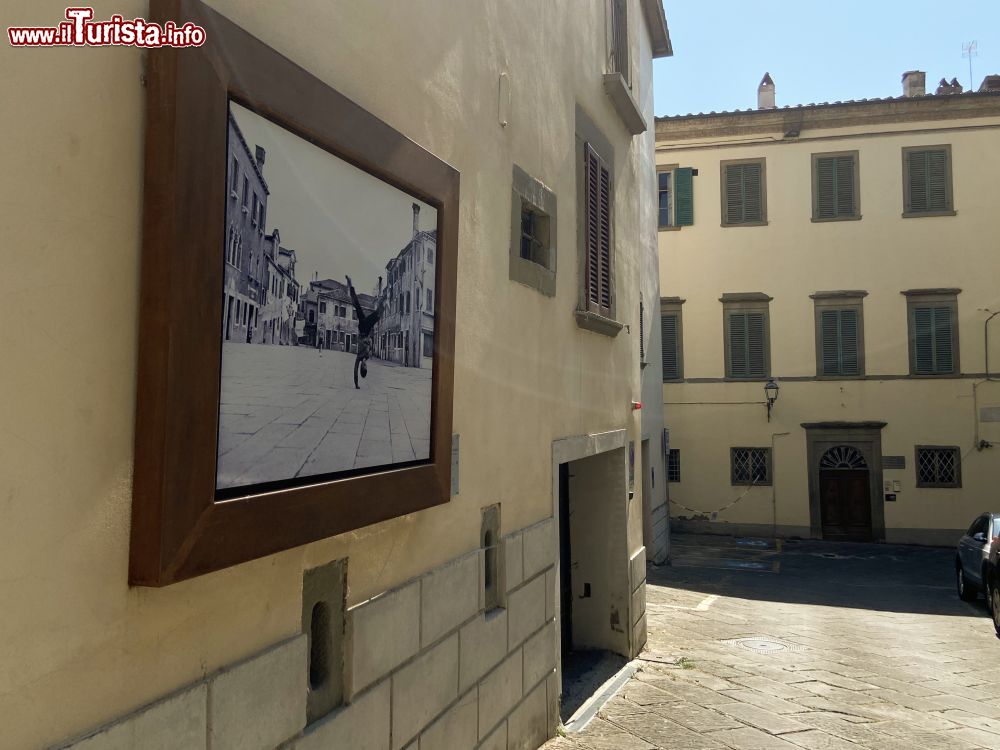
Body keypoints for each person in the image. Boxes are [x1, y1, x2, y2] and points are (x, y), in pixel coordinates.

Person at [345, 275, 383, 389]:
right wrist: (369, 342)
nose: (365, 365)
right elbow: (370, 343)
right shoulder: (367, 356)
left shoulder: (358, 358)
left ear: (362, 367)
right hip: (367, 330)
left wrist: (356, 385)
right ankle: (381, 287)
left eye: (363, 367)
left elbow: (355, 372)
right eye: (366, 367)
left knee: (356, 305)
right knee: (378, 314)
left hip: (362, 327)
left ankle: (350, 283)